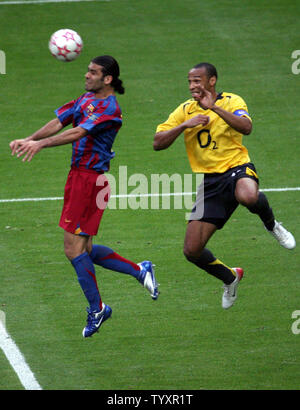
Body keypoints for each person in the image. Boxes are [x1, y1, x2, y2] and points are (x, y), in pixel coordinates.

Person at [9, 55, 159, 338]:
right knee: (85, 250)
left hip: (90, 182)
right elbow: (60, 122)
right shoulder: (85, 98)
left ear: (108, 78)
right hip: (79, 177)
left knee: (72, 250)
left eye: (93, 72)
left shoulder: (110, 109)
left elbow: (77, 132)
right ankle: (140, 270)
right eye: (87, 71)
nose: (87, 75)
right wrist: (30, 139)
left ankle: (98, 308)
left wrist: (40, 145)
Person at [153, 62, 295, 309]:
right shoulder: (185, 110)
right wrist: (184, 125)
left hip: (237, 168)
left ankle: (272, 225)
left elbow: (246, 127)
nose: (192, 86)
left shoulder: (231, 101)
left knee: (248, 196)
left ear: (212, 81)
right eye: (189, 81)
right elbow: (157, 143)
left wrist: (214, 108)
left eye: (197, 80)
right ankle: (230, 277)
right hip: (209, 183)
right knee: (191, 250)